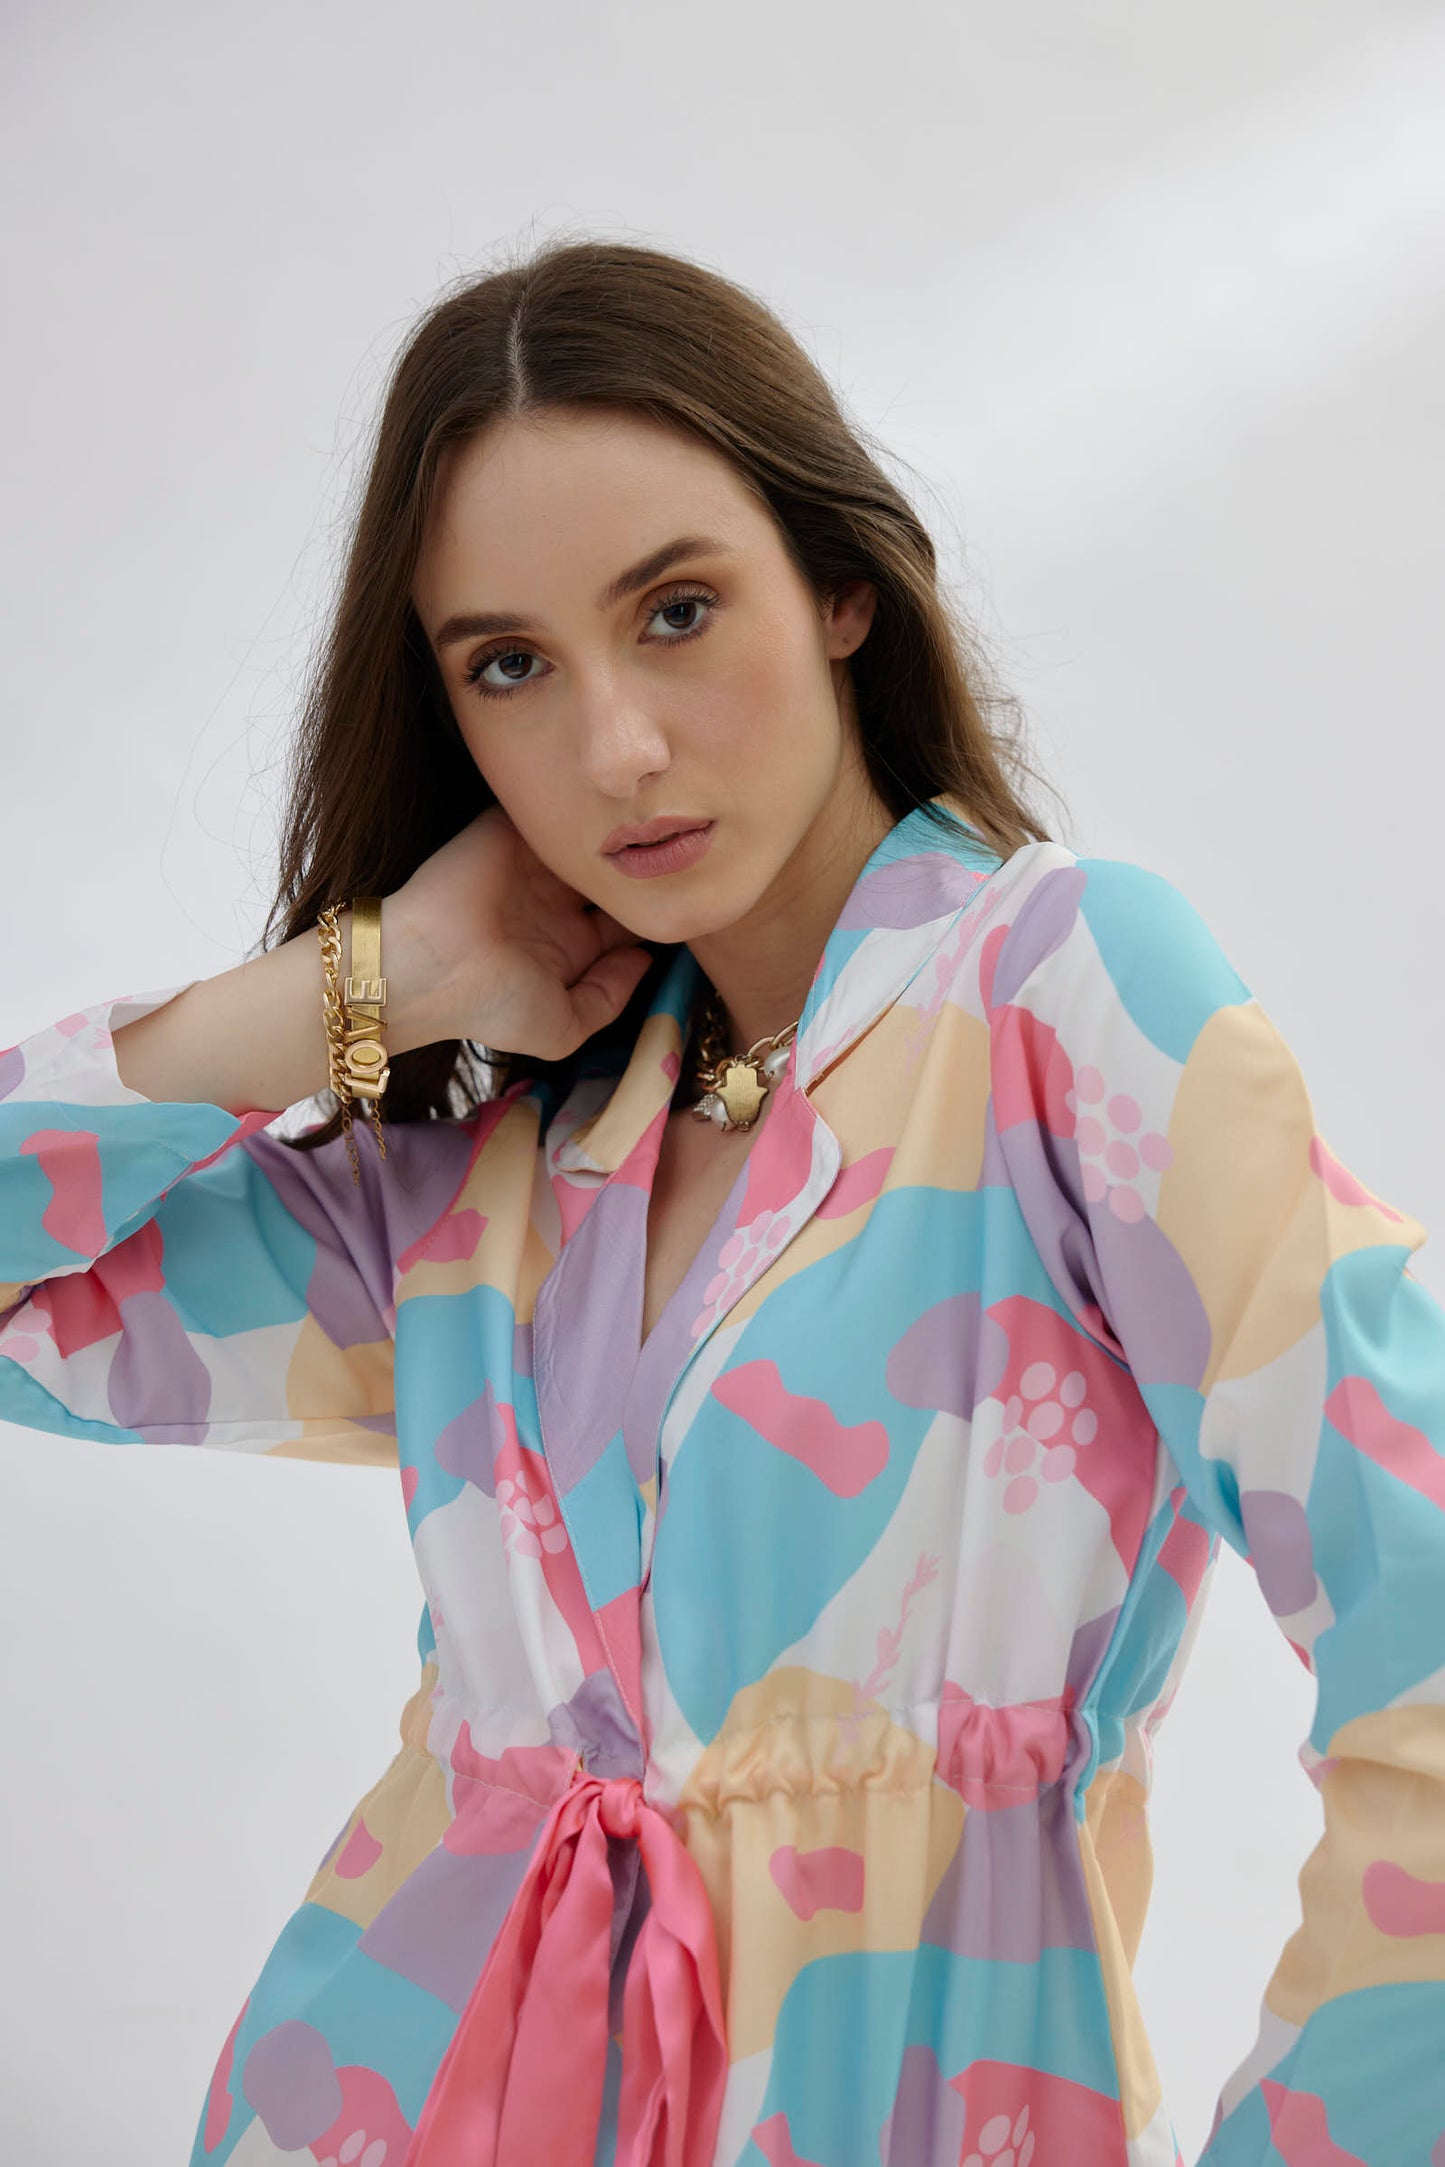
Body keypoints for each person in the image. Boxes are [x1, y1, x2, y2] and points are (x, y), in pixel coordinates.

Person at [2, 237, 1442, 2167]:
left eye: (675, 612)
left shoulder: (1061, 1003)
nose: (615, 749)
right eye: (509, 666)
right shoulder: (487, 1172)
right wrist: (363, 985)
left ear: (841, 587)